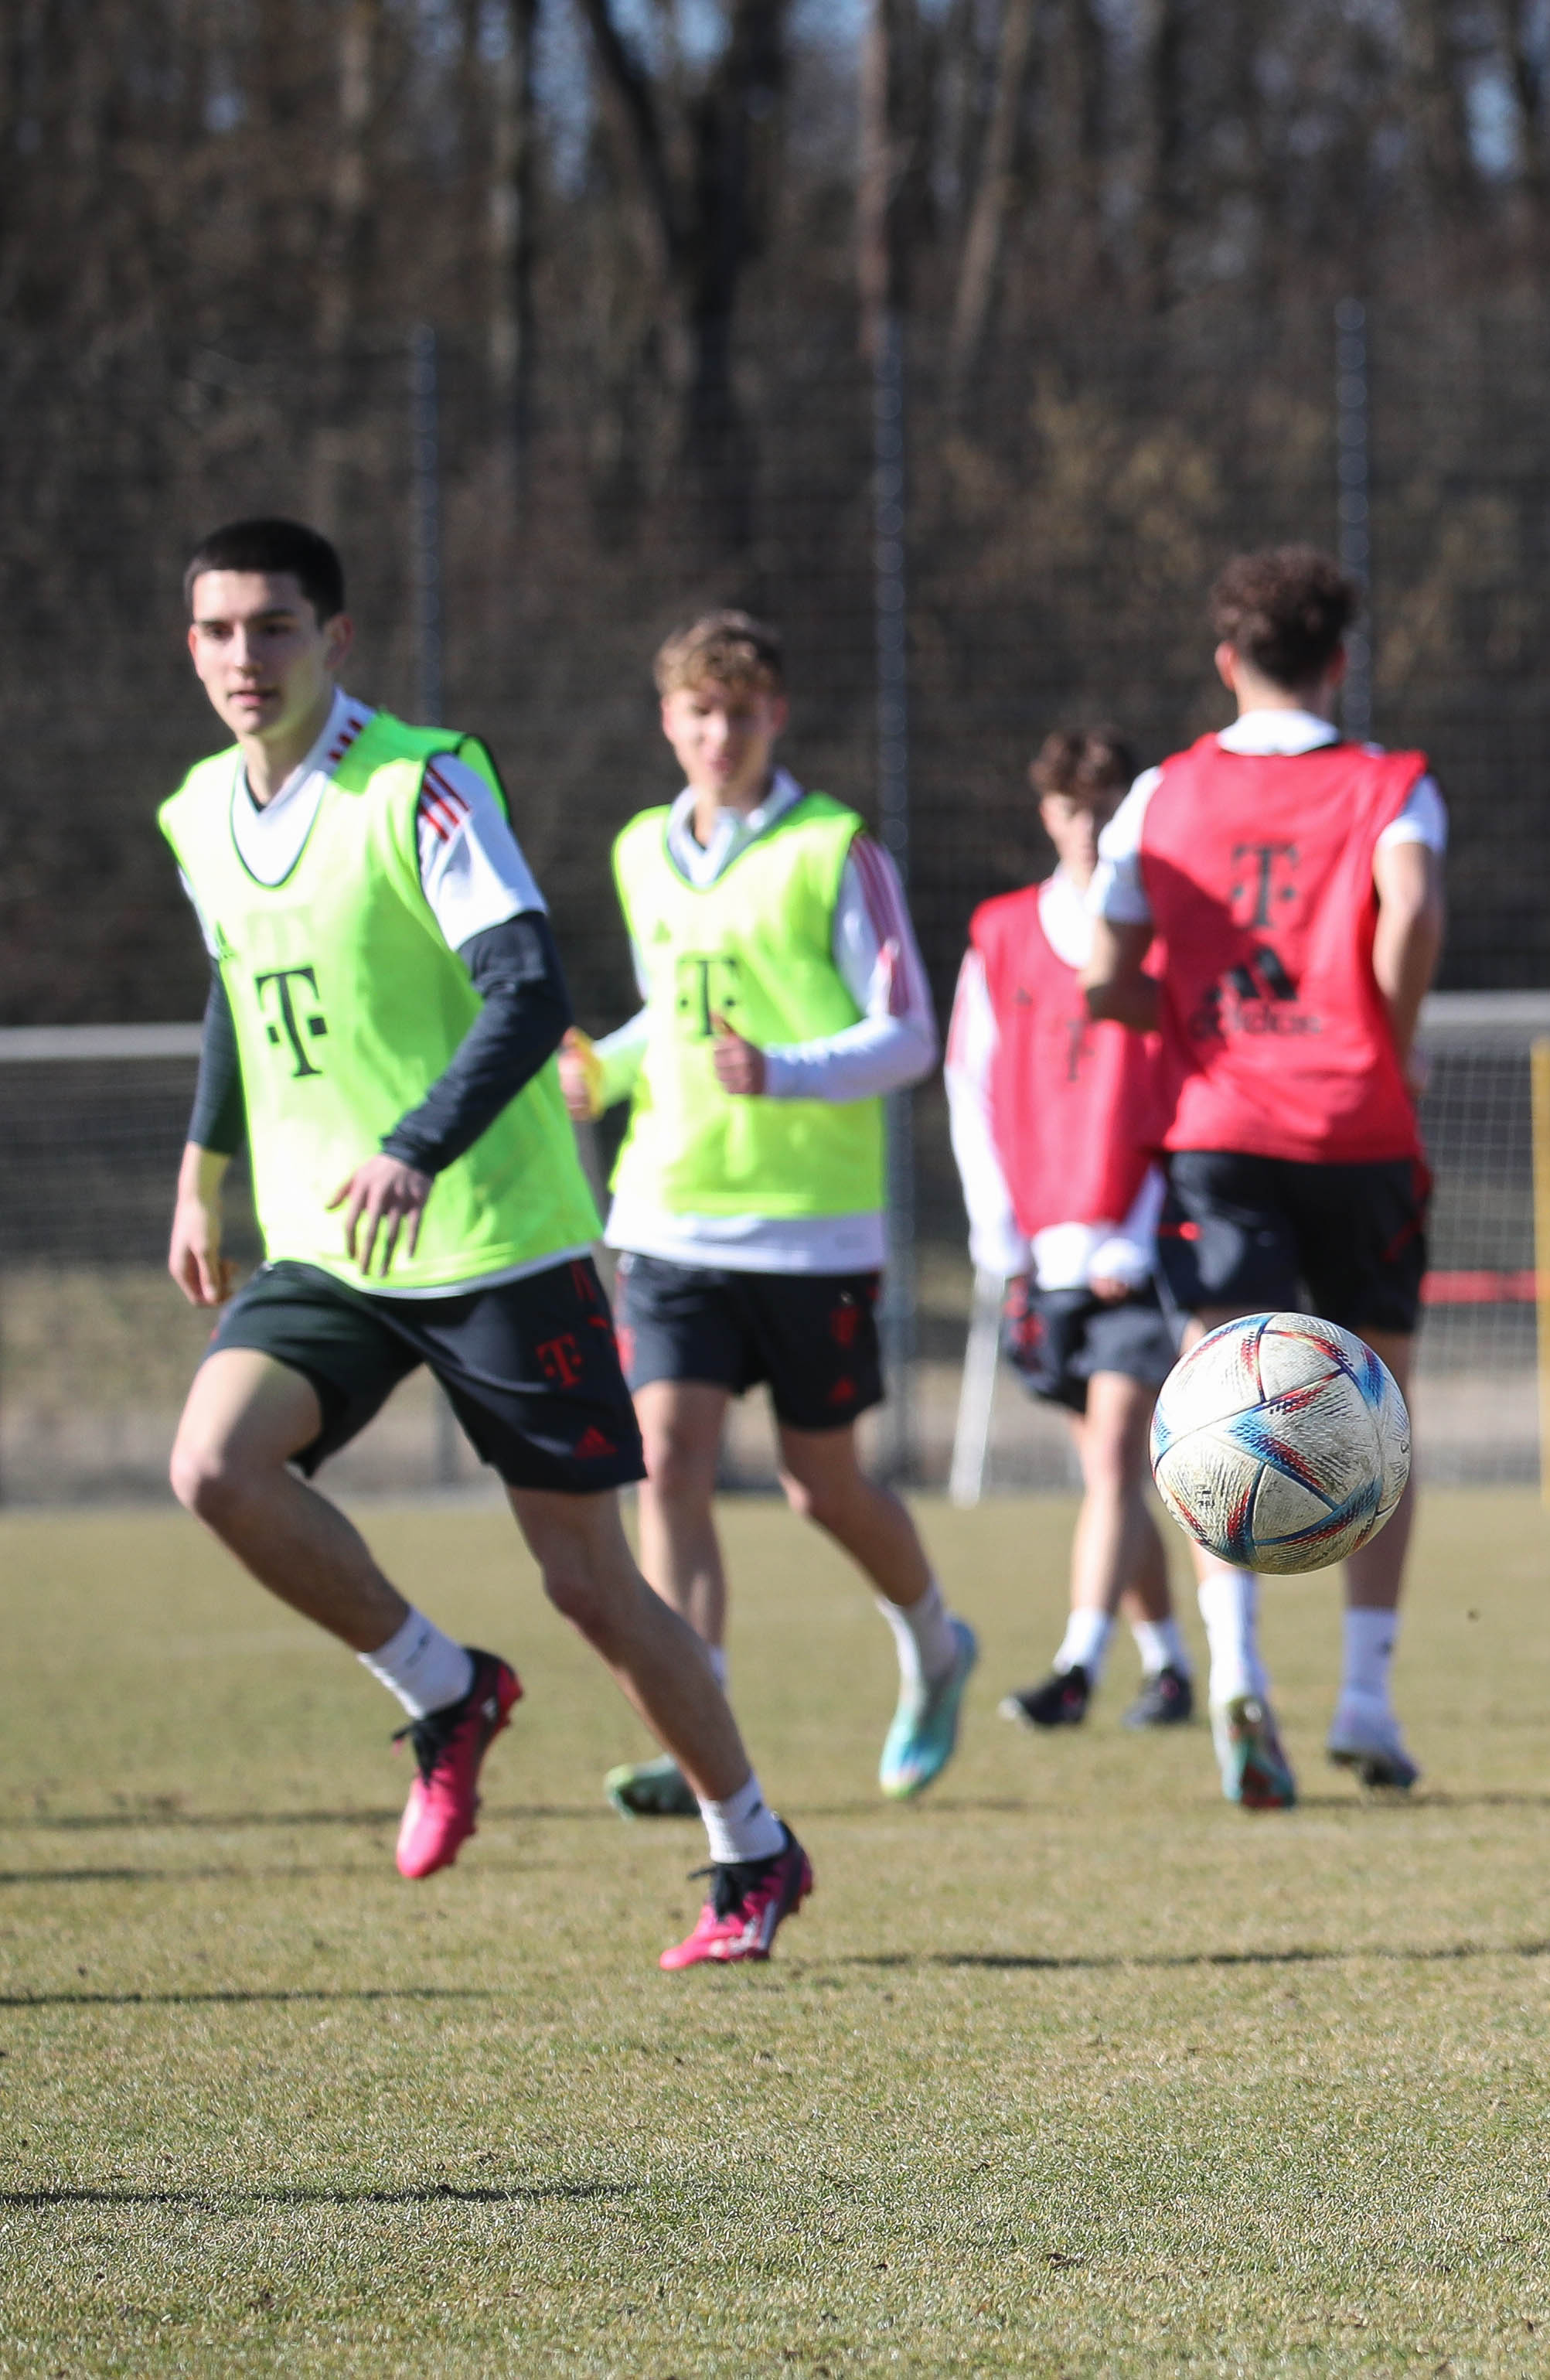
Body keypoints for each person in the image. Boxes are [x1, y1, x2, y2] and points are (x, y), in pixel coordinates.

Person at [155, 516, 812, 1967]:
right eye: (217, 631)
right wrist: (204, 1170)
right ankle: (441, 1687)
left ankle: (752, 1844)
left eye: (273, 628)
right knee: (212, 1463)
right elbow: (233, 986)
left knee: (590, 1581)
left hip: (497, 1237)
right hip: (332, 1242)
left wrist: (414, 1146)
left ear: (336, 639)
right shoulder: (200, 809)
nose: (243, 657)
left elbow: (526, 989)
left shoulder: (423, 783)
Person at [563, 612, 965, 1818]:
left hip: (811, 1228)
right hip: (671, 1214)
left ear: (775, 716)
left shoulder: (837, 850)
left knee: (818, 1485)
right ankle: (704, 1726)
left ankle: (937, 1644)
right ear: (669, 722)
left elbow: (909, 1035)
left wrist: (786, 1069)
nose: (719, 734)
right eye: (699, 713)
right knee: (669, 1464)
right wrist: (614, 1068)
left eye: (741, 712)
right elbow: (672, 1018)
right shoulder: (641, 849)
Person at [1082, 548, 1443, 1808]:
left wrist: (1185, 1008)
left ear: (1226, 660)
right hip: (1359, 1125)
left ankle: (1235, 1671)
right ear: (1337, 660)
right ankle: (1367, 1695)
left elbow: (1097, 968)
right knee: (1376, 1402)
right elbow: (1412, 909)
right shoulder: (1389, 784)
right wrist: (1376, 1041)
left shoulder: (1161, 794)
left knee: (1214, 1397)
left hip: (1221, 1129)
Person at [946, 726, 1197, 1734]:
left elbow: (1180, 1085)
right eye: (1071, 807)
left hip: (1133, 1254)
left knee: (1109, 1464)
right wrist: (1001, 1243)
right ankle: (1169, 1662)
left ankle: (1075, 1664)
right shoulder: (1001, 932)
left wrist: (1136, 1232)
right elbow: (972, 1084)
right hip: (1042, 1254)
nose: (1089, 827)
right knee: (1115, 1473)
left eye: (1106, 805)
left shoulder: (1159, 933)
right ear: (1046, 813)